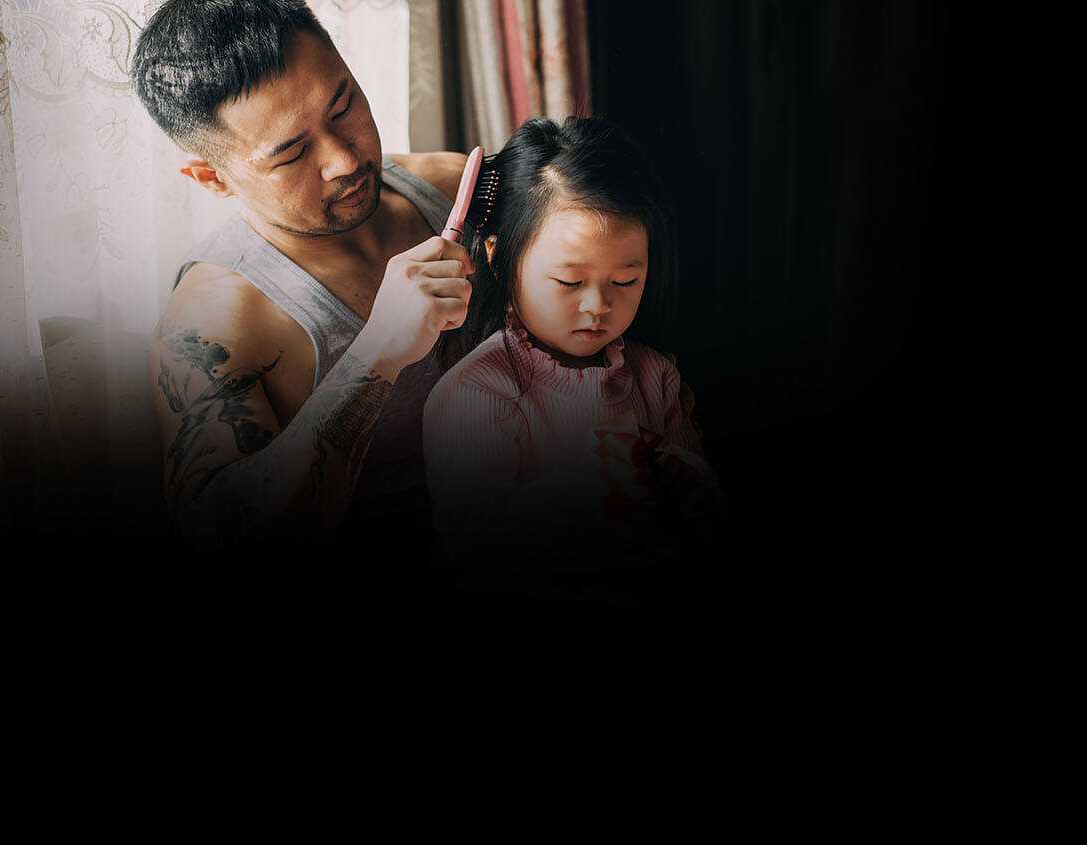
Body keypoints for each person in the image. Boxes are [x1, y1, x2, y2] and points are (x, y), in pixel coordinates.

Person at [130, 0, 472, 556]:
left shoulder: (452, 184)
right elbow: (223, 546)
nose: (343, 159)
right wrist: (378, 352)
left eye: (343, 107)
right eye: (291, 153)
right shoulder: (212, 328)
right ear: (212, 179)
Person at [422, 117, 724, 589]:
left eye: (625, 282)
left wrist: (687, 483)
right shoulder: (476, 396)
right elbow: (478, 560)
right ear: (499, 255)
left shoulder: (655, 379)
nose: (598, 306)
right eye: (569, 281)